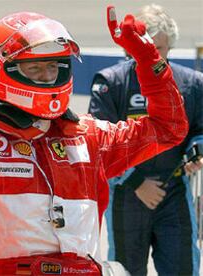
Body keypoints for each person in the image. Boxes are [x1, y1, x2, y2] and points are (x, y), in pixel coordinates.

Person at [0, 1, 188, 275]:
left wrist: (148, 59)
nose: (47, 76)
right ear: (2, 71)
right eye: (34, 69)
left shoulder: (90, 138)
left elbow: (169, 127)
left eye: (54, 67)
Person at [88, 4, 203, 276]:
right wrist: (137, 182)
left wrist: (197, 150)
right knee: (125, 271)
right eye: (143, 47)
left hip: (174, 189)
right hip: (128, 194)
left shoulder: (192, 83)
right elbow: (98, 143)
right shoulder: (110, 81)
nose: (150, 55)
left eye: (158, 49)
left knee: (183, 269)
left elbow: (200, 129)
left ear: (169, 48)